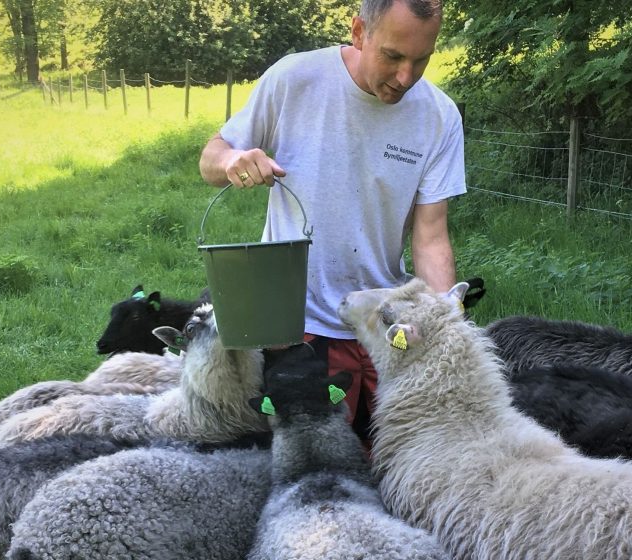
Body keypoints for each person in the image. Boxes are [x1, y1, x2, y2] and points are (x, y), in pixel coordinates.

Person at [198, 0, 465, 445]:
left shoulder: (439, 116)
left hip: (386, 329)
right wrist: (231, 159)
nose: (405, 78)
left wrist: (442, 329)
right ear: (359, 32)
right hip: (296, 327)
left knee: (393, 466)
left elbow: (432, 237)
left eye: (421, 60)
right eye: (393, 56)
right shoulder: (295, 80)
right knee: (313, 472)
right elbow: (210, 159)